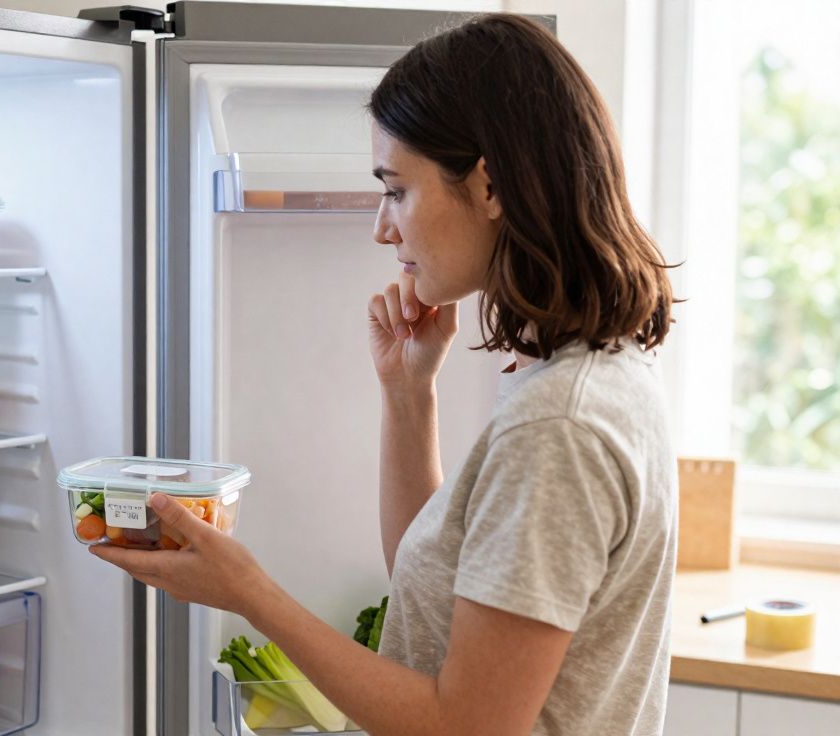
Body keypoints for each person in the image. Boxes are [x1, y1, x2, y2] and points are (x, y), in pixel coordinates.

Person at [91, 13, 678, 735]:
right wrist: (408, 395)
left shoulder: (558, 424)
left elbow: (466, 727)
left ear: (489, 186)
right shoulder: (593, 368)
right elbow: (435, 585)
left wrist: (249, 593)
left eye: (397, 189)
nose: (382, 226)